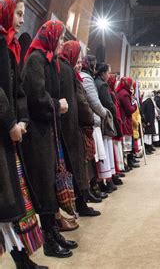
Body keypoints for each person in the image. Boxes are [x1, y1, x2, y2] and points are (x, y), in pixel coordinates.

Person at [0, 0, 47, 268]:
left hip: (11, 134)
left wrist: (23, 120)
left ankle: (22, 259)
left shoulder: (12, 47)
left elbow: (17, 92)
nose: (21, 20)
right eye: (18, 14)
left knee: (15, 200)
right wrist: (9, 123)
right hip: (3, 131)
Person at [22, 20, 76, 258]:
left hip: (48, 130)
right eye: (61, 38)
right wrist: (57, 105)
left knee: (50, 184)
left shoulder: (48, 60)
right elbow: (35, 97)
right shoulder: (36, 59)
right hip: (37, 133)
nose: (63, 43)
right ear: (51, 37)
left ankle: (53, 233)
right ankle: (49, 242)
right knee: (44, 185)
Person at [58, 41, 101, 218]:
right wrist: (90, 118)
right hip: (74, 127)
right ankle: (81, 204)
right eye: (76, 60)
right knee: (78, 167)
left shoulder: (68, 73)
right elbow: (81, 103)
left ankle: (82, 199)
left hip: (74, 126)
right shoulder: (69, 74)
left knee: (81, 166)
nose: (78, 64)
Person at [81, 56, 117, 194]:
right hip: (94, 120)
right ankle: (98, 185)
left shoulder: (92, 79)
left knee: (100, 155)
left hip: (94, 119)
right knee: (96, 156)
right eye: (108, 72)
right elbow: (96, 102)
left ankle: (101, 183)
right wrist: (106, 114)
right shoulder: (96, 82)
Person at [95, 62, 122, 186]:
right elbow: (109, 104)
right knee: (106, 151)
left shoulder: (97, 83)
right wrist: (114, 114)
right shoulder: (103, 86)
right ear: (103, 73)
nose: (109, 75)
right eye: (108, 72)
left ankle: (108, 179)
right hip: (106, 121)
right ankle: (107, 180)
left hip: (102, 120)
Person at [117, 77, 139, 168]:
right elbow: (129, 109)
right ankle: (125, 164)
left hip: (124, 119)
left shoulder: (122, 92)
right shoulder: (125, 94)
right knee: (125, 145)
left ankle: (126, 163)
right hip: (125, 120)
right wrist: (135, 106)